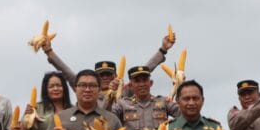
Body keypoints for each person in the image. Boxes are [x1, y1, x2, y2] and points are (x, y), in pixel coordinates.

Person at [40, 34, 176, 97]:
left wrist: (162, 50)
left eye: (108, 74)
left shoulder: (124, 91)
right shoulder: (87, 90)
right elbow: (66, 72)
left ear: (115, 76)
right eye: (101, 75)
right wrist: (49, 52)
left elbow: (143, 73)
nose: (105, 77)